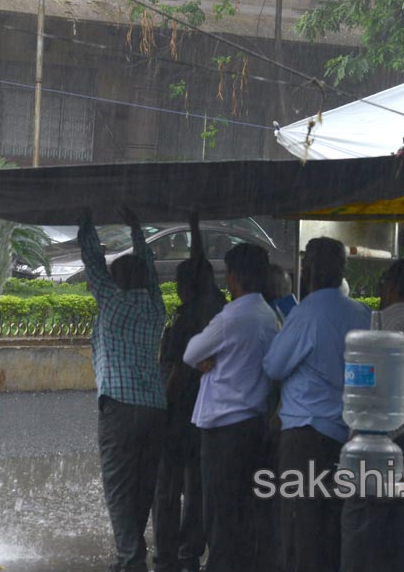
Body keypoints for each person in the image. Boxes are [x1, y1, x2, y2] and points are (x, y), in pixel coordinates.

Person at [262, 236, 371, 572]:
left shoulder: (306, 314)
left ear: (307, 271)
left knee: (300, 531)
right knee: (332, 530)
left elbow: (273, 366)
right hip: (347, 439)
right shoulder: (363, 314)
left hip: (304, 438)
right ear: (342, 272)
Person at [79, 205, 168, 572]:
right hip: (154, 408)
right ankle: (128, 554)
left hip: (118, 406)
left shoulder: (111, 301)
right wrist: (137, 228)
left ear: (116, 281)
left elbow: (92, 259)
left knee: (117, 488)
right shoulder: (155, 308)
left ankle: (131, 560)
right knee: (143, 485)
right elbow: (147, 269)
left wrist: (86, 217)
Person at [183, 242, 278, 572]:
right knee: (243, 509)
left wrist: (205, 359)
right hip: (253, 425)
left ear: (235, 276)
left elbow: (191, 351)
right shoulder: (268, 315)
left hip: (224, 429)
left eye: (227, 273)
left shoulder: (231, 317)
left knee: (220, 514)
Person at [340, 259, 404, 572]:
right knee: (399, 536)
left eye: (384, 283)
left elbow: (379, 389)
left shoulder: (385, 325)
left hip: (381, 438)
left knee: (362, 530)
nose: (381, 289)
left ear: (394, 287)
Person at [153, 212, 225, 572]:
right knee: (195, 486)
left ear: (184, 287)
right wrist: (195, 227)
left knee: (167, 486)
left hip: (180, 412)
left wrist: (162, 405)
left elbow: (180, 370)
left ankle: (168, 550)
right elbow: (202, 266)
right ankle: (189, 548)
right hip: (204, 413)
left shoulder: (188, 322)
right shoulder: (215, 309)